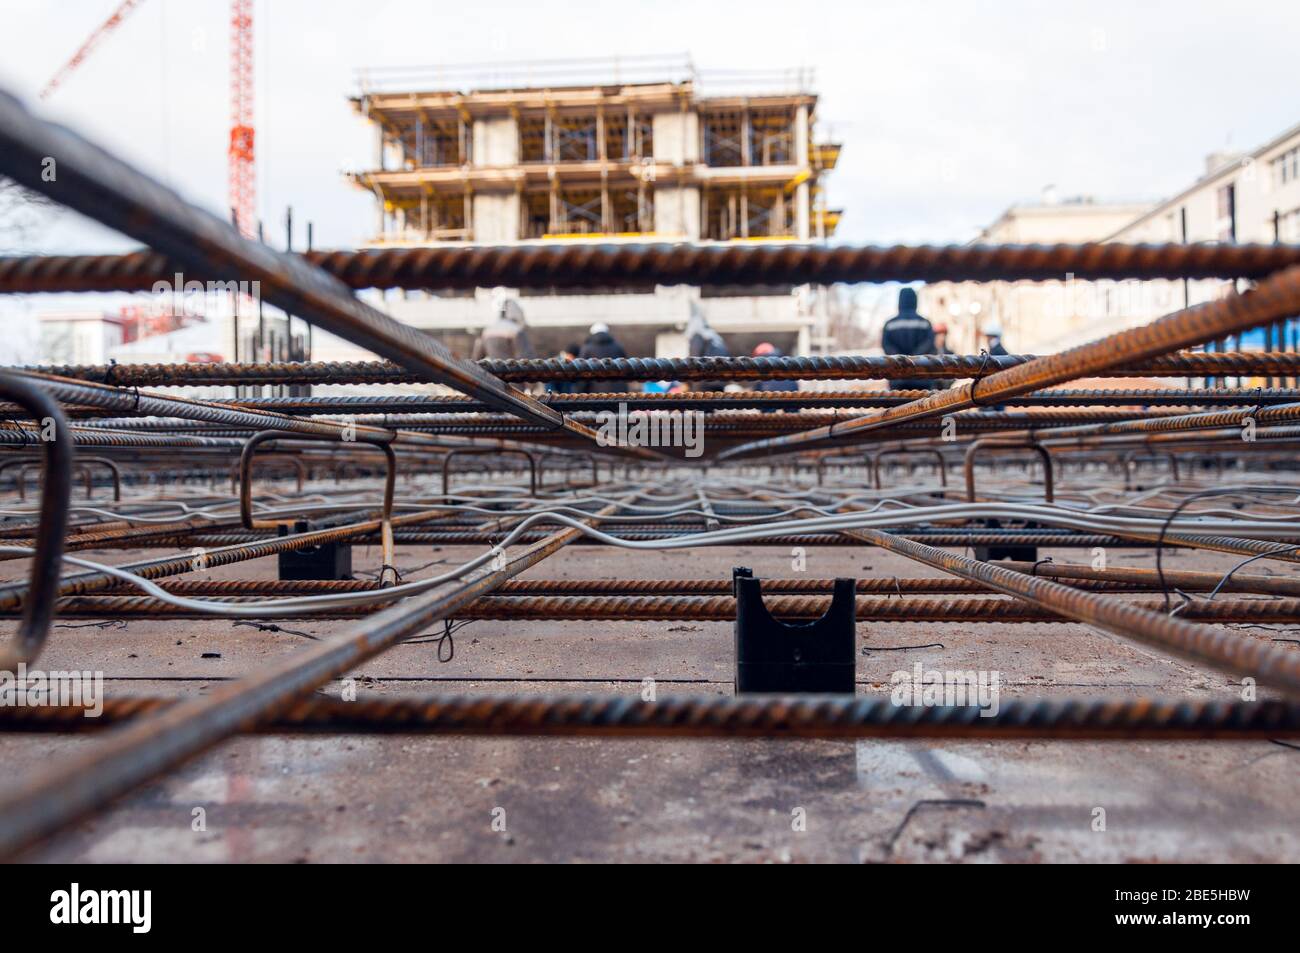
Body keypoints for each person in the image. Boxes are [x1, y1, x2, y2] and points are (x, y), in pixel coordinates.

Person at [880, 287, 936, 391]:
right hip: (921, 378)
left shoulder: (890, 324)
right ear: (915, 301)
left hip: (897, 378)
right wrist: (913, 358)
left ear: (899, 301)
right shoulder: (925, 323)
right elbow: (929, 344)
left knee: (898, 407)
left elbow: (886, 345)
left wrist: (901, 359)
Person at [686, 307, 729, 392]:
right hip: (719, 382)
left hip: (706, 382)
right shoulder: (714, 337)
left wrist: (692, 388)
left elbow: (694, 361)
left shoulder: (698, 335)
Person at [577, 322, 629, 393]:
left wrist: (580, 391)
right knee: (622, 404)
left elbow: (582, 372)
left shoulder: (586, 348)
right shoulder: (618, 346)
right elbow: (626, 367)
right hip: (619, 391)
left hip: (596, 394)